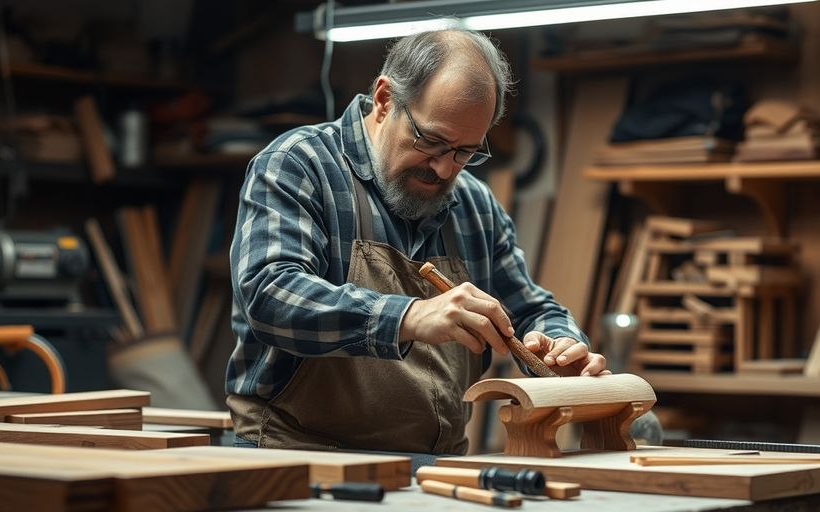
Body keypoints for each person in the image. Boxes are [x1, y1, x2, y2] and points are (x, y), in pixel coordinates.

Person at [225, 28, 608, 455]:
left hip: (433, 466)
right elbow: (269, 293)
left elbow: (532, 308)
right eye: (432, 142)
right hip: (298, 454)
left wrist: (559, 344)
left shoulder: (475, 205)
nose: (444, 170)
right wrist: (407, 316)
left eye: (465, 152)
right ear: (386, 99)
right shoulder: (299, 165)